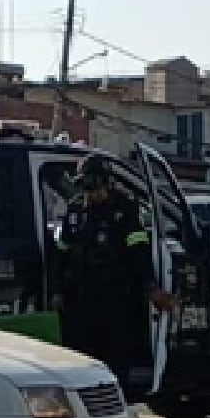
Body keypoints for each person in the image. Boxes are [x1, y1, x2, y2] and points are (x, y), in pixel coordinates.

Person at [52, 156, 175, 396]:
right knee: (82, 361)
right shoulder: (75, 212)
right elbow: (61, 253)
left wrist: (150, 287)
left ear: (108, 183)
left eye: (96, 184)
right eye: (86, 186)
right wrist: (56, 290)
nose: (92, 192)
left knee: (116, 362)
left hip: (116, 301)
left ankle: (116, 404)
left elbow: (139, 254)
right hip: (81, 301)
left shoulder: (125, 211)